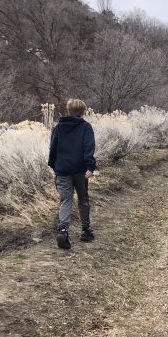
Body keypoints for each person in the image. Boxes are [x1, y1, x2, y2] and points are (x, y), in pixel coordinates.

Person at [48, 98, 96, 250]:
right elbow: (89, 148)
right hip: (81, 170)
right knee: (83, 199)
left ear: (68, 111)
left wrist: (54, 167)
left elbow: (52, 149)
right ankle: (86, 231)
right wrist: (90, 167)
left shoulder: (58, 127)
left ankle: (63, 230)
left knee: (65, 201)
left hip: (62, 170)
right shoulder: (86, 127)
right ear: (83, 112)